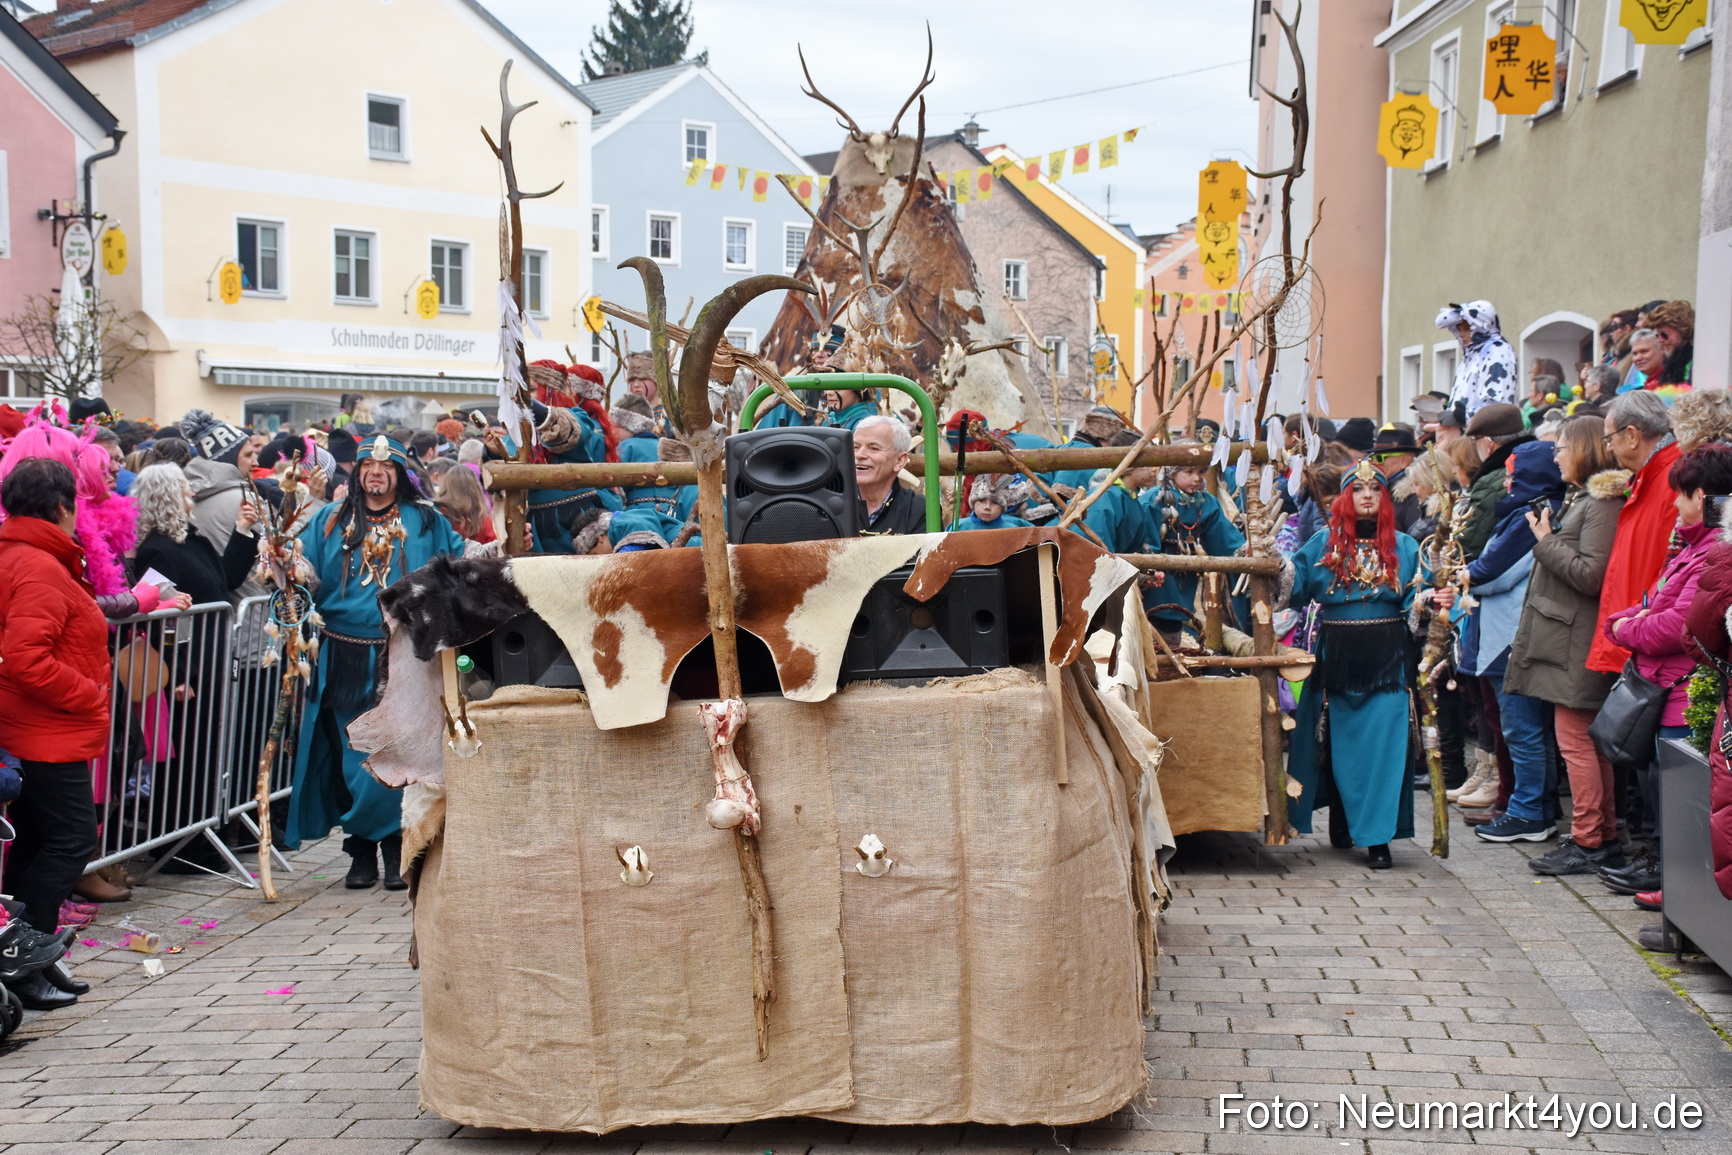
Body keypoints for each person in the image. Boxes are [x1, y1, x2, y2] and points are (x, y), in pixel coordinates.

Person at [282, 434, 466, 889]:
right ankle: (362, 849)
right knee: (355, 756)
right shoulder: (330, 520)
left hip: (405, 653)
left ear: (399, 475)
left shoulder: (425, 519)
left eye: (385, 467)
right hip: (344, 653)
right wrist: (283, 562)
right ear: (358, 473)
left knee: (399, 750)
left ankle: (393, 846)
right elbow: (303, 573)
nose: (376, 473)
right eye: (367, 466)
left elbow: (458, 565)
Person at [1594, 445, 1732, 907]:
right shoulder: (1692, 547)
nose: (1674, 504)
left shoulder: (1713, 549)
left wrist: (1624, 628)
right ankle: (1673, 888)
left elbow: (1678, 625)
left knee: (1683, 801)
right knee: (1663, 793)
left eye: (1679, 495)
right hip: (1663, 686)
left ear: (1700, 495)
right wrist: (1629, 620)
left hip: (1680, 691)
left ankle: (1685, 897)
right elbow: (1657, 600)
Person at [0, 458, 108, 1008]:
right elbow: (24, 658)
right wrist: (87, 693)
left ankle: (27, 953)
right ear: (62, 506)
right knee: (70, 840)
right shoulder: (36, 565)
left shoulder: (32, 557)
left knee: (38, 842)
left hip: (40, 727)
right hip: (44, 728)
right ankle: (24, 962)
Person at [1501, 417, 1627, 873]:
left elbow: (1590, 575)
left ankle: (1589, 840)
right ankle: (1602, 836)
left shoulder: (1600, 504)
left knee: (1576, 742)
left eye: (1562, 448)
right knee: (1586, 742)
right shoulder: (1586, 500)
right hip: (1570, 638)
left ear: (1586, 449)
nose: (1555, 456)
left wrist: (1545, 541)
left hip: (1578, 641)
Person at [1284, 460, 1423, 869]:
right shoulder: (1322, 544)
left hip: (1389, 656)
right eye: (1358, 488)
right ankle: (1346, 821)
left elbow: (1421, 599)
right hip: (1339, 654)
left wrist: (1434, 602)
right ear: (1345, 497)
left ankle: (1377, 838)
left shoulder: (1405, 546)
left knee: (1384, 746)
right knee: (1340, 745)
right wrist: (1271, 565)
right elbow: (1289, 588)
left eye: (1375, 488)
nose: (1367, 494)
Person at [1449, 441, 1566, 844]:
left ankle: (1529, 811)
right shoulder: (1526, 512)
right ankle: (1538, 807)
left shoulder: (1531, 515)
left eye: (1515, 472)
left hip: (1510, 635)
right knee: (1529, 728)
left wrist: (1461, 572)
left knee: (1522, 729)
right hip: (1511, 631)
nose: (1508, 480)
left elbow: (1491, 572)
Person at [1587, 391, 1681, 678]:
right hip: (1636, 636)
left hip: (1647, 643)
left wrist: (1637, 625)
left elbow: (1674, 568)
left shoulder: (1674, 477)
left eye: (1609, 439)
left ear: (1631, 435)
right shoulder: (1650, 476)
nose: (1609, 449)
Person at [1142, 456, 1242, 642]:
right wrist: (1149, 570)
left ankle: (1169, 658)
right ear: (1172, 473)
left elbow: (1223, 536)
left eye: (1201, 471)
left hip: (1185, 575)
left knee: (1175, 621)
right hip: (1159, 575)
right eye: (1189, 472)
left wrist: (1241, 550)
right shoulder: (1155, 500)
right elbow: (1145, 541)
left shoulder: (1206, 503)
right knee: (1155, 618)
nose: (1197, 478)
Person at [1456, 403, 1532, 561]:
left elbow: (1472, 544)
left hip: (1498, 570)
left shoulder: (1489, 484)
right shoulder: (1541, 464)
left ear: (1488, 443)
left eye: (1476, 440)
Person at [1436, 300, 1517, 420]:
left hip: (1484, 434)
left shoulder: (1497, 352)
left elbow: (1495, 404)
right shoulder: (1470, 357)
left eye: (1466, 329)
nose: (1461, 335)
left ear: (1481, 326)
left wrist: (1462, 418)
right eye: (1459, 329)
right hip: (1467, 433)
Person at [853, 415, 927, 535]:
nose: (859, 455)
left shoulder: (919, 510)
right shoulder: (829, 506)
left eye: (874, 448)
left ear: (900, 461)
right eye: (855, 447)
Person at [1370, 424, 1423, 535]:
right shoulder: (1381, 488)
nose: (1374, 463)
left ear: (1404, 460)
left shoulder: (1414, 493)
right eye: (1372, 458)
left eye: (1380, 458)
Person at [954, 478, 1031, 531]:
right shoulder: (959, 527)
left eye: (994, 503)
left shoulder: (1012, 530)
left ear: (1002, 507)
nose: (987, 507)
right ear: (973, 503)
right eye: (981, 500)